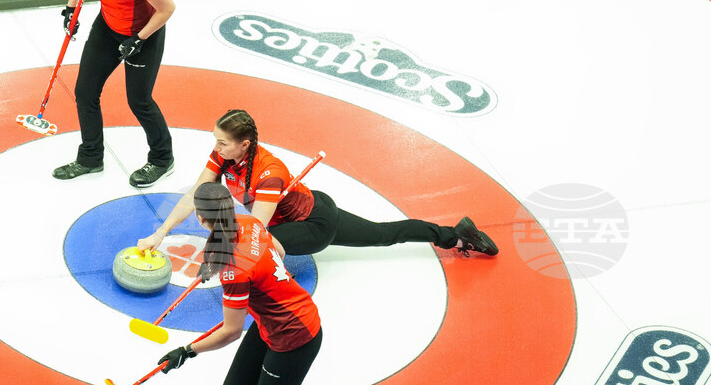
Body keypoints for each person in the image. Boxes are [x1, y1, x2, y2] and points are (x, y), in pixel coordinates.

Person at [158, 182, 324, 385]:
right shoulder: (248, 223)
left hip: (294, 335)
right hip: (271, 324)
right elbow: (278, 249)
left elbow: (231, 331)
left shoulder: (233, 268)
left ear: (202, 220)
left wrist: (187, 351)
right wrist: (266, 287)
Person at [138, 109, 499, 258]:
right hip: (307, 207)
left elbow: (256, 230)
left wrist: (217, 241)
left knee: (258, 250)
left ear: (243, 144)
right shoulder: (225, 156)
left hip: (312, 223)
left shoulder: (270, 171)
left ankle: (269, 308)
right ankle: (453, 234)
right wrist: (162, 233)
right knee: (382, 233)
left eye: (221, 141)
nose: (215, 147)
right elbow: (195, 192)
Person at [52, 0, 175, 188]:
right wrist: (72, 8)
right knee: (85, 92)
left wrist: (139, 38)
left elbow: (167, 8)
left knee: (139, 101)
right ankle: (91, 158)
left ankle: (162, 159)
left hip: (144, 33)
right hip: (107, 26)